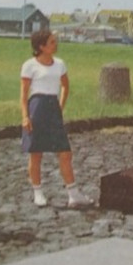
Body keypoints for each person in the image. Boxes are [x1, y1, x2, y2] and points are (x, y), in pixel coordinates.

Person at [20, 29, 91, 207]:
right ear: (41, 46)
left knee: (65, 153)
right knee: (36, 154)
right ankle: (38, 192)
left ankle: (73, 194)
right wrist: (25, 117)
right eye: (52, 42)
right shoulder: (29, 65)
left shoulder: (60, 64)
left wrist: (59, 106)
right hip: (36, 108)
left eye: (55, 41)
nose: (55, 44)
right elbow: (23, 94)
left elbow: (65, 86)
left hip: (53, 109)